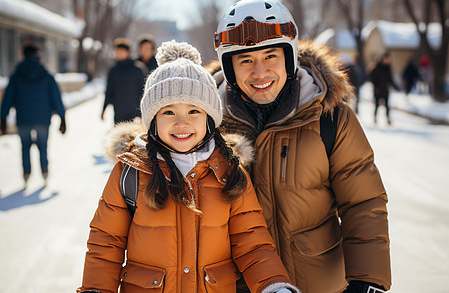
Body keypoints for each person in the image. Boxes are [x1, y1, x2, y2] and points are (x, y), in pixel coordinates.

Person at [78, 41, 299, 293]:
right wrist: (95, 288)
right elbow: (106, 242)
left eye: (194, 111)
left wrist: (273, 286)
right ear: (152, 121)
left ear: (209, 119)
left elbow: (252, 243)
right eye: (168, 112)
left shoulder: (229, 171)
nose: (182, 123)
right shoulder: (131, 171)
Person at [209, 0, 391, 293]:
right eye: (245, 60)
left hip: (318, 282)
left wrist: (367, 279)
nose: (260, 72)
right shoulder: (206, 125)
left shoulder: (329, 116)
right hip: (240, 284)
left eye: (271, 56)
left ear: (289, 56)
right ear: (230, 69)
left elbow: (362, 201)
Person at [0, 44, 66, 185]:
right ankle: (45, 172)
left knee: (25, 147)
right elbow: (56, 97)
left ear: (23, 54)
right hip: (43, 118)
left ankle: (26, 174)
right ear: (38, 55)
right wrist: (62, 118)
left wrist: (3, 117)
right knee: (43, 146)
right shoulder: (47, 74)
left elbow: (8, 97)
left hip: (23, 118)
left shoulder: (17, 74)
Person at [101, 37, 146, 124]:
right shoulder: (113, 71)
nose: (119, 54)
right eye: (117, 51)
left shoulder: (137, 69)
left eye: (122, 51)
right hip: (118, 111)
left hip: (135, 112)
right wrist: (104, 109)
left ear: (128, 52)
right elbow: (109, 91)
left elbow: (143, 91)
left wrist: (142, 113)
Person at [370, 53, 399, 125]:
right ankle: (375, 118)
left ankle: (388, 119)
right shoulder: (377, 67)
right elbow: (372, 78)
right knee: (377, 105)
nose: (387, 60)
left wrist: (396, 87)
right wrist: (376, 87)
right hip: (378, 90)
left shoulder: (388, 68)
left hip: (385, 90)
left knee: (387, 106)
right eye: (386, 59)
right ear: (383, 59)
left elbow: (390, 79)